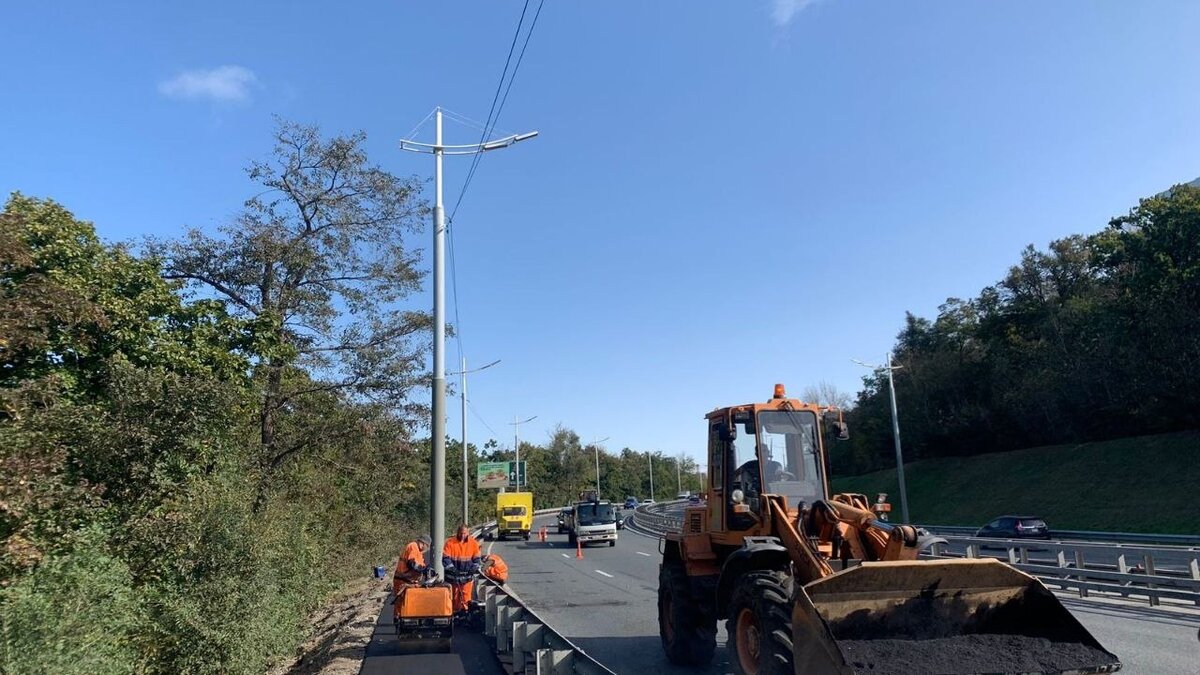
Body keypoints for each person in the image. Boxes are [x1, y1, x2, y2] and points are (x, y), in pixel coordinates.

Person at [442, 524, 482, 614]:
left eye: (464, 533)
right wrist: (452, 569)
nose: (463, 535)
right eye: (461, 533)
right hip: (453, 577)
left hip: (467, 577)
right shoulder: (450, 543)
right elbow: (445, 558)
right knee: (454, 597)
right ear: (458, 533)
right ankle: (454, 614)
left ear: (468, 533)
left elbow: (477, 559)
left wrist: (474, 568)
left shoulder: (473, 543)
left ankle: (465, 614)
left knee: (466, 597)